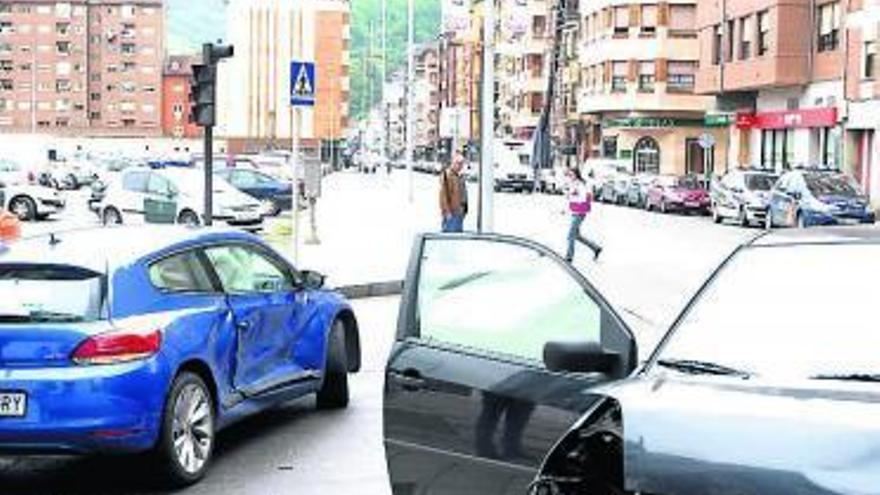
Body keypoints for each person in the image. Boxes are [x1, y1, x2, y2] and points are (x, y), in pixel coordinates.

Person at [564, 167, 602, 262]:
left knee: (570, 235)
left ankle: (569, 257)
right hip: (575, 211)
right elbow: (572, 198)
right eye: (569, 175)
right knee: (576, 235)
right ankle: (596, 248)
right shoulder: (573, 184)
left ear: (576, 174)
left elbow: (583, 199)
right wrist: (566, 206)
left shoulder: (580, 184)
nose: (570, 176)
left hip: (580, 212)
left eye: (571, 174)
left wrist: (571, 196)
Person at [439, 152, 468, 232]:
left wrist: (464, 210)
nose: (460, 166)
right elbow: (443, 196)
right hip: (452, 213)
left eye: (462, 164)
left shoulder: (458, 176)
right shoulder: (447, 176)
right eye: (458, 163)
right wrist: (447, 212)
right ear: (453, 163)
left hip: (459, 212)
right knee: (450, 236)